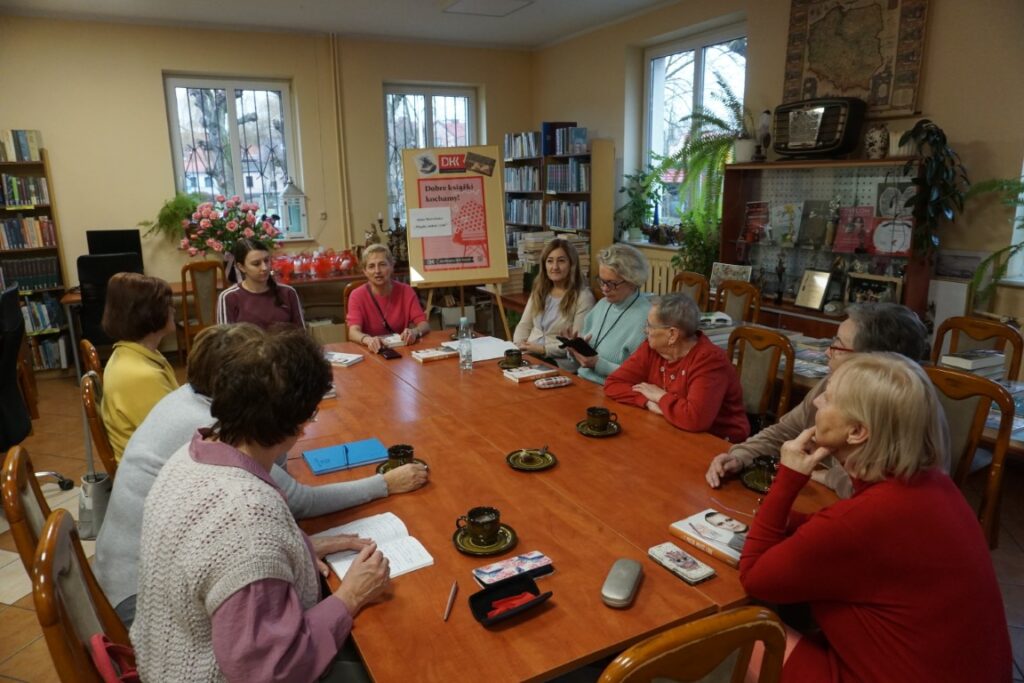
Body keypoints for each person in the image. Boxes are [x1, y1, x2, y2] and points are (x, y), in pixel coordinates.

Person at [95, 324, 429, 627]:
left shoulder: (197, 421)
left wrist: (297, 547)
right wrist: (350, 597)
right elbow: (268, 663)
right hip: (141, 600)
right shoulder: (240, 486)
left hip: (153, 577)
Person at [133, 327, 391, 682]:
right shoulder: (248, 519)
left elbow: (220, 561)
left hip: (169, 655)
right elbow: (274, 671)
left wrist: (297, 548)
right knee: (391, 657)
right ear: (298, 425)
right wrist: (351, 596)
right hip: (216, 672)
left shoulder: (191, 454)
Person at [739, 353, 1011, 682]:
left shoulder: (862, 520)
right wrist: (790, 522)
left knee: (739, 635)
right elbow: (851, 537)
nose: (819, 399)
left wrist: (787, 481)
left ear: (856, 432)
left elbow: (754, 575)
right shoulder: (932, 484)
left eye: (830, 397)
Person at [705, 303, 930, 497]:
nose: (827, 353)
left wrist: (826, 476)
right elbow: (785, 431)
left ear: (872, 364)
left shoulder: (901, 413)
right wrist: (741, 456)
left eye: (838, 346)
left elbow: (871, 491)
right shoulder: (830, 383)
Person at [604, 292, 748, 443]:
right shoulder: (651, 348)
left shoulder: (709, 360)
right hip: (670, 428)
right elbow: (613, 384)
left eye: (650, 326)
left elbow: (695, 419)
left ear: (672, 334)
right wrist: (647, 402)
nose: (645, 331)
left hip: (717, 441)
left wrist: (660, 396)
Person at [99, 272, 178, 462]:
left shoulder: (134, 353)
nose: (173, 311)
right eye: (168, 306)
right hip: (152, 474)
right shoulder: (140, 375)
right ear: (149, 314)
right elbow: (173, 437)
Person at [565, 243, 651, 384]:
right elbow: (583, 362)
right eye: (601, 281)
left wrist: (598, 364)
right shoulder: (603, 305)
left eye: (611, 283)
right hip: (582, 382)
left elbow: (640, 377)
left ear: (633, 281)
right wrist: (575, 350)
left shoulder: (646, 318)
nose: (604, 289)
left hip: (613, 392)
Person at [513, 238, 595, 361]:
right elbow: (524, 325)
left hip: (559, 362)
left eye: (561, 261)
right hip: (529, 355)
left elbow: (577, 343)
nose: (554, 267)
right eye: (550, 261)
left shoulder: (583, 297)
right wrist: (518, 345)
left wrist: (543, 349)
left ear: (572, 264)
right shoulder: (540, 290)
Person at [346, 243, 429, 353]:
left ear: (391, 267)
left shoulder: (406, 291)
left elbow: (424, 324)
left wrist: (414, 332)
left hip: (401, 351)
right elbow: (353, 332)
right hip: (370, 352)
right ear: (365, 272)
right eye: (371, 266)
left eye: (382, 264)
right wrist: (367, 340)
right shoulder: (356, 295)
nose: (377, 271)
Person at [216, 238, 304, 329]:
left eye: (266, 261)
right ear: (241, 267)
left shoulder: (288, 292)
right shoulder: (229, 297)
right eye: (256, 264)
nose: (264, 268)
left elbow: (301, 334)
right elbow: (225, 340)